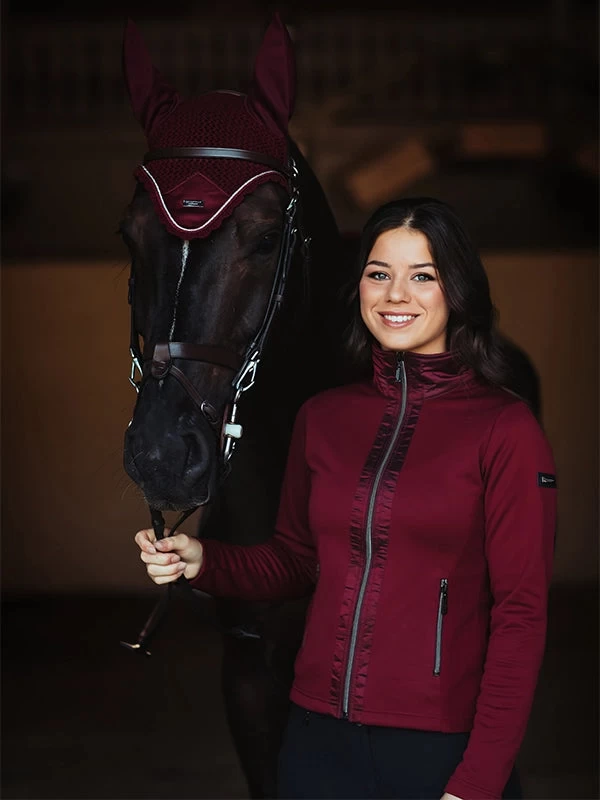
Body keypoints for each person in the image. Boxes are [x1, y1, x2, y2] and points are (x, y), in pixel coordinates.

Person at [135, 197, 557, 800]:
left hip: (440, 749)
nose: (395, 294)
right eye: (379, 273)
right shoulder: (325, 417)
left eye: (423, 275)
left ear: (458, 288)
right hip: (316, 742)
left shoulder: (505, 429)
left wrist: (480, 779)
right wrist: (203, 560)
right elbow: (298, 560)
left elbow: (521, 615)